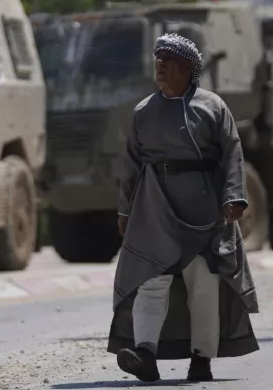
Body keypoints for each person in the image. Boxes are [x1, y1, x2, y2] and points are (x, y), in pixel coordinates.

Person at [107, 32, 260, 383]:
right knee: (150, 279)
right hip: (154, 208)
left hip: (204, 210)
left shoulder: (213, 107)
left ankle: (202, 358)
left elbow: (232, 153)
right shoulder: (143, 112)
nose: (161, 65)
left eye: (170, 60)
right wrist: (125, 211)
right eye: (158, 59)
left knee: (203, 284)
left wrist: (233, 197)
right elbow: (131, 165)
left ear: (189, 68)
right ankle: (144, 352)